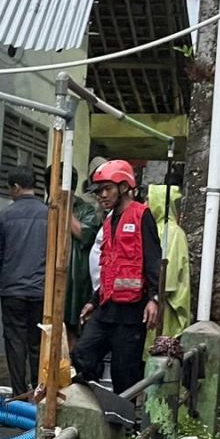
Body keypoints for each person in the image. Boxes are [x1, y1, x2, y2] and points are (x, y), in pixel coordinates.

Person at [71, 160, 161, 393]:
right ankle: (93, 402)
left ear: (124, 187)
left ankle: (125, 424)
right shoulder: (109, 220)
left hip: (132, 313)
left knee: (125, 373)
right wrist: (94, 300)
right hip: (107, 306)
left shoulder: (142, 216)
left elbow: (153, 260)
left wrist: (154, 298)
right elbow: (109, 266)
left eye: (107, 189)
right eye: (99, 190)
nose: (102, 195)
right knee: (83, 353)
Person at [0, 166, 49, 396]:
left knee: (14, 342)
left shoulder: (4, 216)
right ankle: (38, 390)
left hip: (12, 291)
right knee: (37, 342)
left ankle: (19, 393)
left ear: (16, 187)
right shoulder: (48, 213)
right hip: (41, 291)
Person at [46, 166, 103, 342]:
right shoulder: (45, 209)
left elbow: (84, 234)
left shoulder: (86, 209)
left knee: (73, 328)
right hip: (47, 276)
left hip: (76, 279)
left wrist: (65, 207)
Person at [145, 175, 191, 347]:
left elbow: (168, 275)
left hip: (166, 306)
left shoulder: (172, 232)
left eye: (149, 200)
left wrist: (156, 294)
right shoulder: (157, 228)